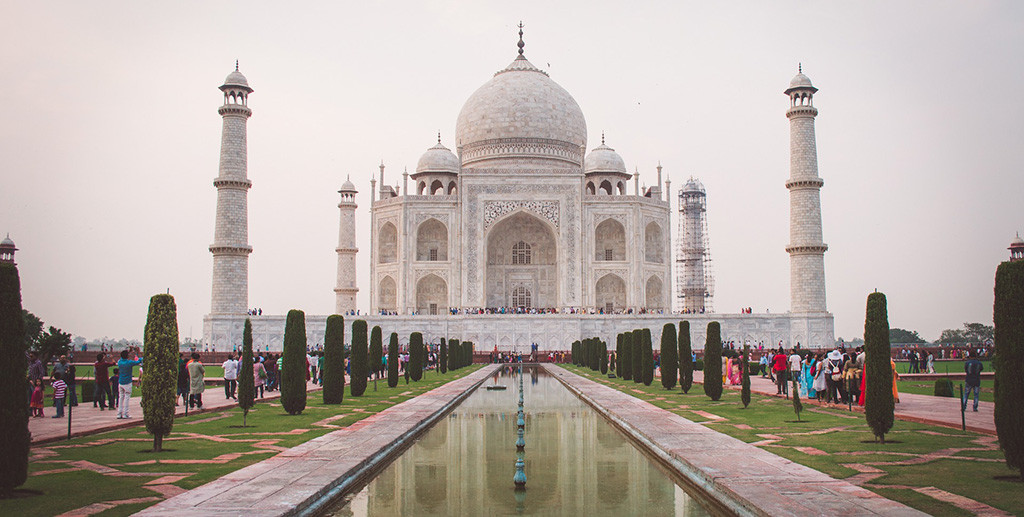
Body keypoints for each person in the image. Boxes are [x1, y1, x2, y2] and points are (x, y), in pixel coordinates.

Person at [116, 350, 143, 419]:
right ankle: (125, 414)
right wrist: (140, 358)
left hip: (121, 382)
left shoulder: (119, 362)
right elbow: (138, 362)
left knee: (121, 398)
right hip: (127, 382)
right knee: (127, 398)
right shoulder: (129, 362)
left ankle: (119, 413)